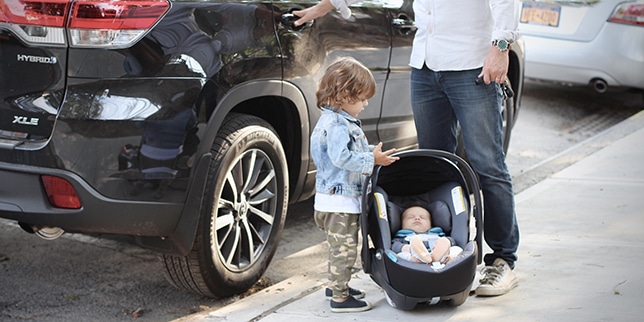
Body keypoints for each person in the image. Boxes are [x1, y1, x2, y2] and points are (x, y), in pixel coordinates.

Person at [294, 0, 521, 297]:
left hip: (472, 63)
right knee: (435, 168)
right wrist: (327, 5)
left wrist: (501, 47)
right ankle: (442, 255)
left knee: (487, 165)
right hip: (425, 67)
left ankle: (502, 259)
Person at [310, 57, 399, 313]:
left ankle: (338, 286)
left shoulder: (333, 121)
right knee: (345, 251)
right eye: (362, 99)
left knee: (340, 248)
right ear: (345, 96)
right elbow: (342, 158)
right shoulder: (337, 125)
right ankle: (339, 298)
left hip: (334, 199)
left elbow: (348, 152)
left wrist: (372, 152)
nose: (365, 104)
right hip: (340, 203)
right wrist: (372, 159)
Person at [392, 206, 462, 267]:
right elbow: (395, 246)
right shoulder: (402, 237)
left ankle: (444, 257)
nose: (417, 218)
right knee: (400, 255)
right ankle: (419, 256)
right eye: (411, 217)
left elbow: (452, 241)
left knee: (457, 249)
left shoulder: (437, 234)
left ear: (430, 224)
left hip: (439, 255)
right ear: (402, 225)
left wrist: (446, 241)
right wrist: (407, 248)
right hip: (414, 257)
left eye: (422, 217)